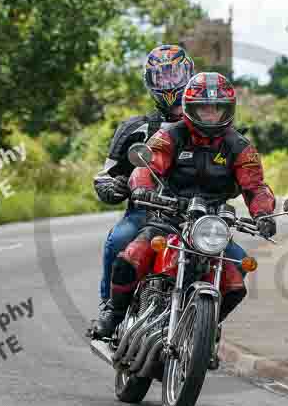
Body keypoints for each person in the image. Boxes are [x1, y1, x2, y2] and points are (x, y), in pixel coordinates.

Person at [102, 72, 276, 363]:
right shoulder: (170, 135)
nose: (210, 114)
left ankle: (204, 330)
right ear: (190, 108)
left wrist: (264, 214)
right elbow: (147, 165)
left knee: (236, 279)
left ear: (227, 110)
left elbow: (255, 185)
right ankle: (114, 314)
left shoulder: (239, 146)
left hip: (211, 224)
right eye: (204, 108)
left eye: (217, 107)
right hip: (168, 216)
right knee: (130, 256)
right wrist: (144, 188)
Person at [90, 45, 194, 337]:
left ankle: (205, 323)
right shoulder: (135, 128)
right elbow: (105, 177)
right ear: (150, 82)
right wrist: (116, 186)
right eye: (162, 76)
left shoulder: (209, 126)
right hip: (146, 213)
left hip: (196, 216)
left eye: (176, 73)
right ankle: (111, 309)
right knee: (119, 239)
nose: (171, 82)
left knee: (231, 256)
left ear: (190, 75)